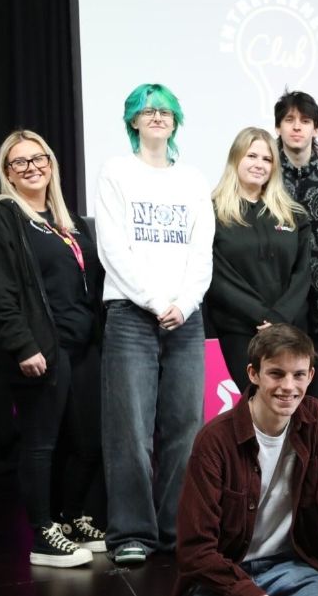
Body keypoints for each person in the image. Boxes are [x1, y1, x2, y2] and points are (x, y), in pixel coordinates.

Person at [95, 83, 215, 564]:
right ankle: (131, 533)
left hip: (185, 317)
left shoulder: (191, 179)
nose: (158, 117)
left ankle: (174, 530)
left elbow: (201, 251)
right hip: (130, 313)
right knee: (129, 429)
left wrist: (183, 303)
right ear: (133, 121)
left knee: (186, 427)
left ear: (175, 120)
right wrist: (152, 299)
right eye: (148, 111)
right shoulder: (115, 172)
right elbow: (112, 247)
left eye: (166, 110)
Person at [0, 130, 106, 568]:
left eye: (39, 159)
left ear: (51, 164)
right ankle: (43, 533)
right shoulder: (3, 217)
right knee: (41, 444)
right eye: (20, 162)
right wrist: (23, 345)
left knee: (86, 442)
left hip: (83, 347)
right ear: (7, 172)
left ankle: (70, 517)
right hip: (42, 351)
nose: (32, 167)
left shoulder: (64, 221)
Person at [173, 324, 318, 596]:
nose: (288, 386)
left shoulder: (314, 419)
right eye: (276, 373)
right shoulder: (214, 440)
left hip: (292, 567)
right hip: (226, 575)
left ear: (310, 376)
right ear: (254, 374)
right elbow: (195, 549)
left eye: (298, 375)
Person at [209, 126, 311, 393]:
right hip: (238, 329)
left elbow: (302, 273)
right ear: (236, 159)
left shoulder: (293, 215)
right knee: (253, 403)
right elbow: (217, 274)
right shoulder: (212, 212)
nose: (259, 165)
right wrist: (261, 316)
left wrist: (278, 318)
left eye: (267, 159)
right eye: (252, 156)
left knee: (287, 403)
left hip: (288, 327)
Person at [276, 91, 318, 404]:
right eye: (289, 120)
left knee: (315, 395)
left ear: (316, 129)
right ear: (278, 128)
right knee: (278, 391)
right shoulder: (265, 177)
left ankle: (311, 453)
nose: (296, 127)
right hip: (279, 299)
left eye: (305, 121)